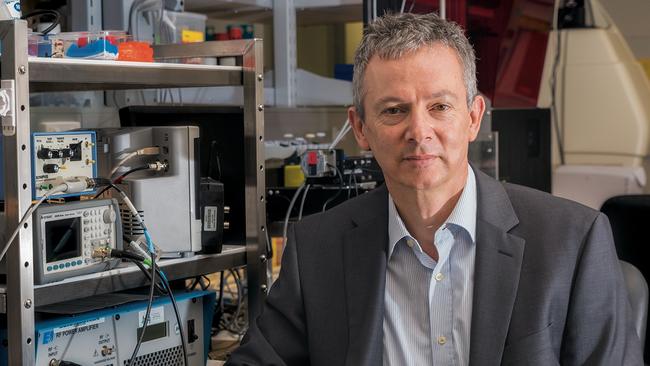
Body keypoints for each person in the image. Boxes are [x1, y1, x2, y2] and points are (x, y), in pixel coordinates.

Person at [226, 12, 643, 366]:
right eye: (394, 111)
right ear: (360, 128)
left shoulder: (570, 242)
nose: (419, 131)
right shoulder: (318, 250)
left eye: (439, 107)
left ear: (474, 117)